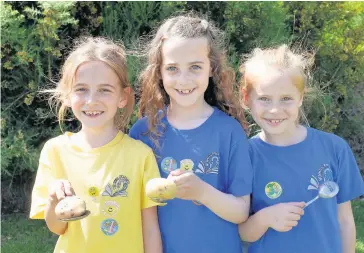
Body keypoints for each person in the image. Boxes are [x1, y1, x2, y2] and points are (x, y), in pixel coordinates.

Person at [129, 14, 253, 253]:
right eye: (173, 68)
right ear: (159, 72)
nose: (183, 79)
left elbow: (240, 211)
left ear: (211, 69)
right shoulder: (143, 132)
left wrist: (202, 191)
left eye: (195, 67)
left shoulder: (228, 131)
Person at [30, 37, 163, 253]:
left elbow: (150, 228)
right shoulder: (54, 151)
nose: (92, 100)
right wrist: (54, 200)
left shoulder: (141, 155)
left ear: (123, 97)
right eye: (81, 89)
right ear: (67, 95)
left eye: (104, 90)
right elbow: (57, 228)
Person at [238, 44, 364, 253]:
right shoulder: (244, 156)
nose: (275, 109)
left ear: (301, 97)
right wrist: (266, 218)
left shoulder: (334, 149)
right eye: (264, 99)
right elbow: (241, 233)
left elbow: (345, 222)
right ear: (246, 98)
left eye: (286, 98)